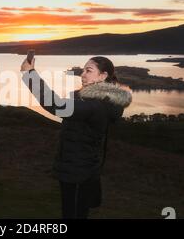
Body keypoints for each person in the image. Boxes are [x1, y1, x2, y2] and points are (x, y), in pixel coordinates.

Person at [20, 56, 132, 219]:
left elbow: (56, 105)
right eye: (82, 70)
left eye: (89, 70)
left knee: (72, 213)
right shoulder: (98, 100)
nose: (83, 74)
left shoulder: (94, 105)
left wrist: (30, 74)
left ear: (103, 76)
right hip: (83, 167)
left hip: (77, 171)